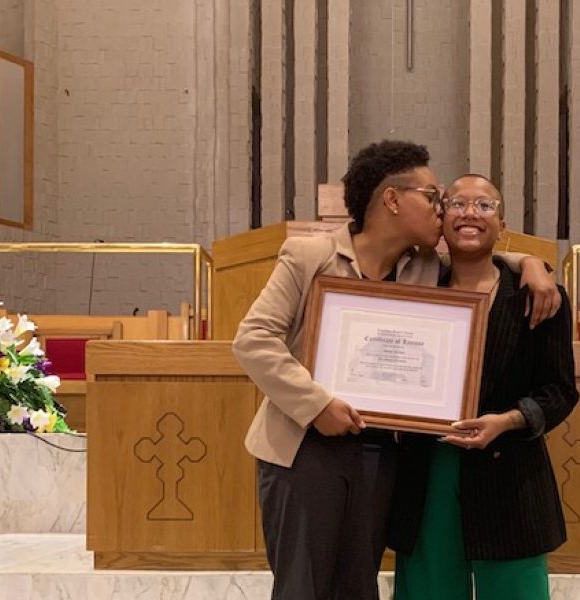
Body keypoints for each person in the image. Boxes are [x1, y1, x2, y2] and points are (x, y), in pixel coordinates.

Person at [231, 141, 560, 600]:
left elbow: (479, 256)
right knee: (302, 587)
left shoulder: (420, 267)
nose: (441, 209)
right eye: (432, 197)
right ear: (391, 200)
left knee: (358, 587)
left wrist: (532, 264)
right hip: (304, 449)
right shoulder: (310, 256)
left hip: (381, 455)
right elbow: (253, 339)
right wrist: (317, 404)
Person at [389, 174, 580, 600]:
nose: (470, 214)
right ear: (442, 219)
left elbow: (560, 391)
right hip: (429, 468)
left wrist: (508, 421)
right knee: (429, 592)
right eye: (458, 204)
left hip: (510, 471)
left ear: (502, 224)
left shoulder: (539, 297)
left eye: (484, 205)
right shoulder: (415, 289)